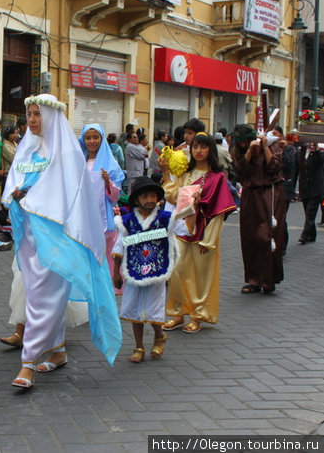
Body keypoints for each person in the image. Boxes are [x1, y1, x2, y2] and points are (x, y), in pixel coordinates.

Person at [2, 94, 120, 389]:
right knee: (39, 295)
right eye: (29, 114)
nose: (32, 120)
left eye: (37, 114)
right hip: (31, 235)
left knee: (43, 297)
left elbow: (69, 196)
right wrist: (17, 194)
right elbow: (14, 183)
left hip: (57, 236)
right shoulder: (27, 151)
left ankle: (28, 361)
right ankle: (57, 351)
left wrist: (32, 196)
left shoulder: (68, 154)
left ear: (50, 117)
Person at [161, 132, 236, 333]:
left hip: (204, 232)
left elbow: (220, 213)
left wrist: (209, 239)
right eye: (195, 147)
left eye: (203, 147)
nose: (198, 151)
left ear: (210, 149)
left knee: (202, 275)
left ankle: (198, 315)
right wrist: (166, 173)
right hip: (182, 229)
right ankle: (177, 313)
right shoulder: (185, 174)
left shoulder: (218, 178)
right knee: (178, 272)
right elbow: (172, 196)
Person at [113, 176, 188, 362]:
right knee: (134, 309)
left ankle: (159, 335)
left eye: (153, 196)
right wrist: (116, 272)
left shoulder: (165, 219)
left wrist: (192, 211)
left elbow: (185, 230)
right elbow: (119, 245)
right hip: (133, 269)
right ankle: (138, 346)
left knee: (154, 309)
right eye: (145, 197)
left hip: (157, 270)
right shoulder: (128, 221)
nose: (150, 200)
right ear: (137, 200)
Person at [231, 124, 286, 294]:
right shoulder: (240, 151)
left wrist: (263, 146)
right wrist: (248, 153)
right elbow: (240, 172)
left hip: (269, 194)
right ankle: (254, 279)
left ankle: (269, 280)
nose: (242, 145)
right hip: (250, 196)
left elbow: (275, 168)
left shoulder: (271, 145)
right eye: (240, 143)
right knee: (250, 238)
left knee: (268, 237)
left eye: (245, 142)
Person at [79, 123, 124, 295]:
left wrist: (107, 181)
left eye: (95, 137)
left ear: (102, 138)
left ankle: (108, 289)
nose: (91, 141)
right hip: (84, 218)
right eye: (88, 137)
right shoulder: (80, 161)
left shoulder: (109, 164)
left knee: (107, 254)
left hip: (105, 218)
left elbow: (116, 196)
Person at [297, 143, 324, 244]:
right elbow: (297, 170)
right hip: (305, 187)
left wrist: (316, 150)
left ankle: (304, 235)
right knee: (307, 213)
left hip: (316, 188)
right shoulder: (301, 153)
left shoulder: (319, 154)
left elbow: (321, 162)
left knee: (310, 213)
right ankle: (312, 234)